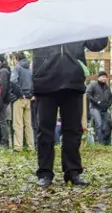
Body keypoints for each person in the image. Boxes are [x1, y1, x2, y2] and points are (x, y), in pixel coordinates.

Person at [31, 37, 108, 188]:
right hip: (45, 81)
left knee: (73, 130)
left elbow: (96, 44)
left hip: (73, 81)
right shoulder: (39, 18)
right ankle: (45, 173)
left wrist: (101, 19)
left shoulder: (76, 20)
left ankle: (73, 172)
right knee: (45, 130)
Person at [9, 53, 35, 151]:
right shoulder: (29, 69)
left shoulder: (17, 68)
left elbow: (13, 80)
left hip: (19, 99)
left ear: (16, 58)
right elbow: (34, 82)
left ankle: (18, 147)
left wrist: (19, 93)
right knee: (28, 124)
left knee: (18, 124)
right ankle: (30, 146)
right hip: (29, 99)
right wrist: (31, 94)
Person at [86, 71, 112, 146]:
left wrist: (108, 105)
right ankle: (99, 142)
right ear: (99, 77)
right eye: (103, 76)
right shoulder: (93, 85)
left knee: (106, 125)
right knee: (99, 124)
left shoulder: (107, 87)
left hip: (104, 109)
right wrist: (96, 102)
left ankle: (104, 142)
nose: (104, 78)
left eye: (105, 77)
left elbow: (111, 97)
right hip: (94, 108)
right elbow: (88, 94)